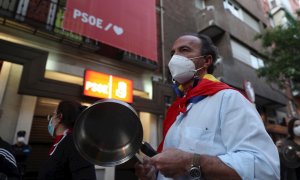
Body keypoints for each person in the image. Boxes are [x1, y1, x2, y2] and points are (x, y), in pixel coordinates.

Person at [135, 34, 280, 180]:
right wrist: (154, 173)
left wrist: (190, 162)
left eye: (184, 50)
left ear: (207, 61)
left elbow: (264, 168)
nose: (175, 58)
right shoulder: (176, 110)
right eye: (173, 53)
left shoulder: (229, 99)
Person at [38, 100, 96, 180]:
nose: (50, 120)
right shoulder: (61, 142)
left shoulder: (74, 143)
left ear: (59, 117)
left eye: (52, 115)